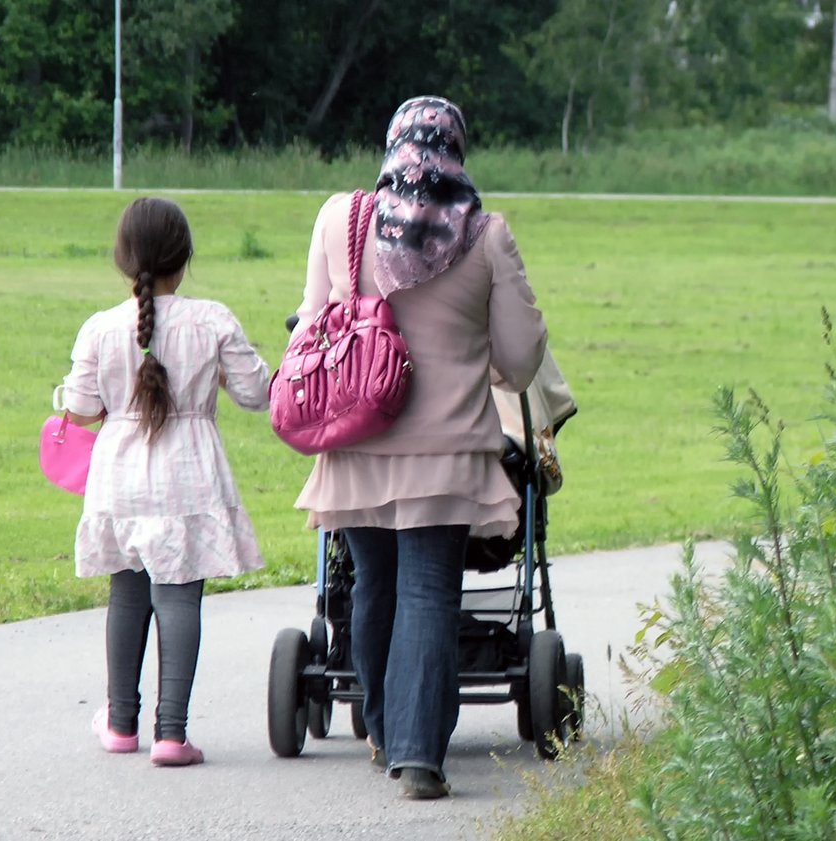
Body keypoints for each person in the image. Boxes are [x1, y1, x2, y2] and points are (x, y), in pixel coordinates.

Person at [292, 95, 547, 799]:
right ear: (457, 153)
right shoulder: (486, 235)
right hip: (448, 451)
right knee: (430, 589)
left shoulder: (341, 220)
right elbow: (521, 362)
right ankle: (417, 756)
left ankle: (379, 728)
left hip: (356, 437)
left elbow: (310, 326)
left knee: (370, 582)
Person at [62, 197, 271, 767]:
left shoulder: (100, 328)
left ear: (123, 259)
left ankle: (121, 723)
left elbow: (79, 410)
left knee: (127, 594)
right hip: (189, 477)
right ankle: (172, 734)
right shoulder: (213, 321)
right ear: (185, 258)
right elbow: (258, 394)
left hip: (119, 481)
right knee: (179, 596)